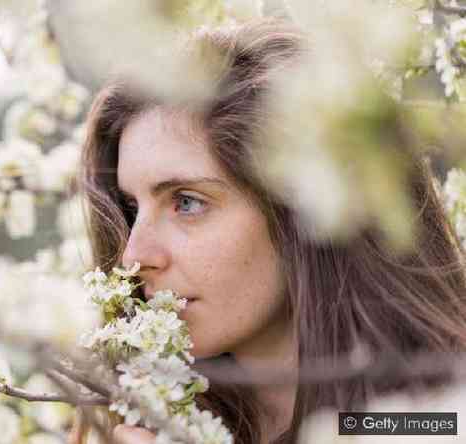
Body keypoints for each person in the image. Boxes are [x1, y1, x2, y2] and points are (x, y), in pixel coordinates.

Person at [69, 17, 466, 444]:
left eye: (186, 202)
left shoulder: (430, 417)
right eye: (131, 207)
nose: (133, 257)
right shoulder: (126, 421)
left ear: (302, 205)